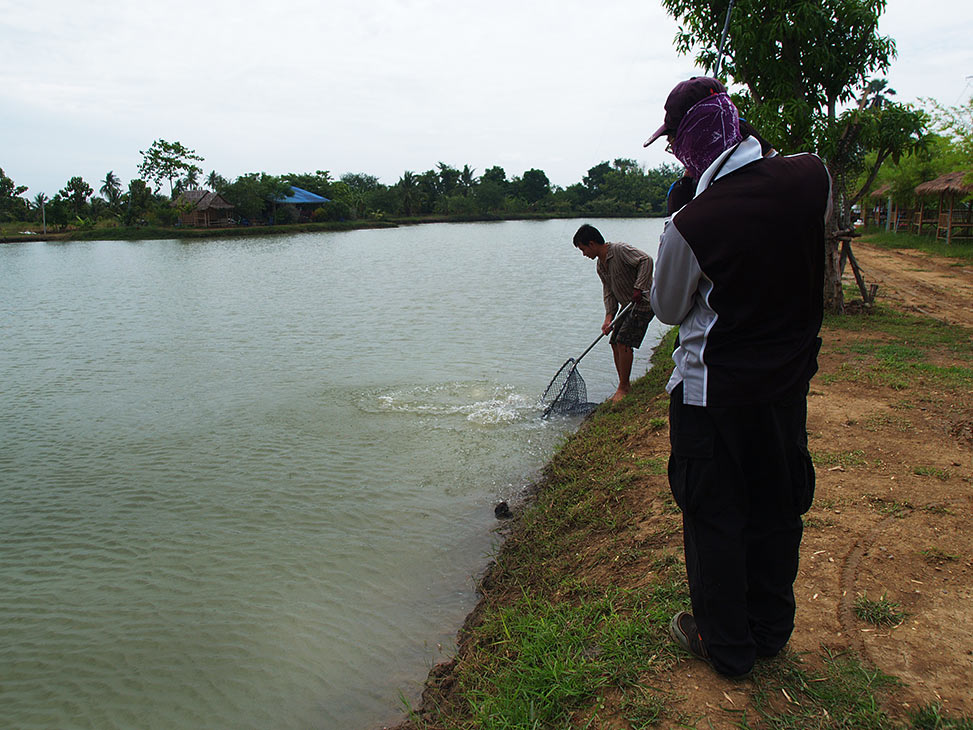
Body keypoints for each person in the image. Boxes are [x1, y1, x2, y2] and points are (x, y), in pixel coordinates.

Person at [645, 77, 833, 679]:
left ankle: (725, 644)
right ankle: (771, 630)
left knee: (715, 512)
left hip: (711, 398)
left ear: (689, 143)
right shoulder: (813, 177)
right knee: (778, 503)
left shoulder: (692, 222)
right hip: (786, 389)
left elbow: (669, 309)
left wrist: (680, 215)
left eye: (674, 143)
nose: (675, 155)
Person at [572, 223, 655, 403]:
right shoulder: (601, 266)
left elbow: (646, 260)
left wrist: (639, 288)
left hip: (643, 304)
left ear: (592, 244)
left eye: (583, 249)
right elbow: (609, 292)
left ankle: (623, 387)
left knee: (624, 342)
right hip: (627, 307)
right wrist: (608, 318)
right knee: (614, 341)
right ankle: (623, 384)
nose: (584, 254)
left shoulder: (619, 250)